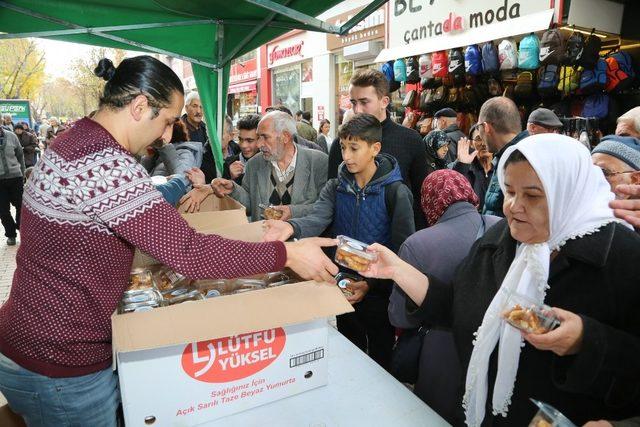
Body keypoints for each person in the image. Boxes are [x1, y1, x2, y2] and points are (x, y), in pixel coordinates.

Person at [0, 55, 338, 426]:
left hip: (33, 340)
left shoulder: (74, 140)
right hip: (59, 360)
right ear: (139, 106)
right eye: (165, 122)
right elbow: (189, 253)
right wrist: (286, 253)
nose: (165, 136)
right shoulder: (105, 164)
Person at [362, 134, 640, 426]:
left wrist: (586, 340)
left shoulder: (621, 258)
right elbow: (458, 306)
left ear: (568, 194)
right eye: (508, 191)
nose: (513, 206)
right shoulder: (499, 239)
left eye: (532, 196)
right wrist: (397, 270)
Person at [263, 113, 415, 370]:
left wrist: (370, 283)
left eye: (354, 148)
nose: (346, 156)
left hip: (380, 294)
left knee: (380, 362)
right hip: (342, 285)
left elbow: (402, 250)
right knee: (347, 356)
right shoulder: (336, 187)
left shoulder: (396, 192)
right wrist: (290, 226)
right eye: (343, 147)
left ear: (375, 148)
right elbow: (317, 218)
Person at [388, 169, 500, 423]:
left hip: (439, 352)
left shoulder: (417, 244)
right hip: (493, 347)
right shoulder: (501, 227)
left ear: (429, 200)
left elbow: (399, 316)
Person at [327, 69, 429, 229]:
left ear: (384, 101)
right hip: (348, 244)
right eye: (353, 102)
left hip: (396, 244)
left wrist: (415, 245)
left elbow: (421, 197)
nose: (357, 110)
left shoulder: (410, 140)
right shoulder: (340, 145)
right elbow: (331, 201)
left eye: (364, 102)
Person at [181, 111, 328, 221]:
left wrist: (293, 211)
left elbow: (326, 208)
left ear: (285, 137)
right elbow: (250, 205)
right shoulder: (254, 164)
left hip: (303, 248)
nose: (259, 144)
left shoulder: (318, 162)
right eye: (258, 137)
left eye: (264, 137)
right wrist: (233, 189)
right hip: (265, 246)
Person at [478, 97, 529, 217]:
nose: (479, 135)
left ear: (486, 127)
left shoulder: (520, 158)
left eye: (478, 127)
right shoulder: (509, 155)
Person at [453, 124, 494, 211]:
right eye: (479, 139)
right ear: (471, 143)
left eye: (486, 137)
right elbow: (454, 189)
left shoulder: (501, 167)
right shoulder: (465, 167)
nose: (484, 143)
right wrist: (462, 165)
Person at [0, 126, 25, 246]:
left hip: (16, 178)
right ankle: (10, 234)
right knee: (3, 210)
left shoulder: (11, 136)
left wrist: (22, 172)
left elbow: (20, 155)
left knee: (21, 206)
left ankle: (22, 230)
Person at [222, 114, 261, 184]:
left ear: (260, 140)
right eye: (240, 139)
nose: (243, 145)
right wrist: (230, 179)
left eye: (249, 141)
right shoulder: (228, 164)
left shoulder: (269, 163)